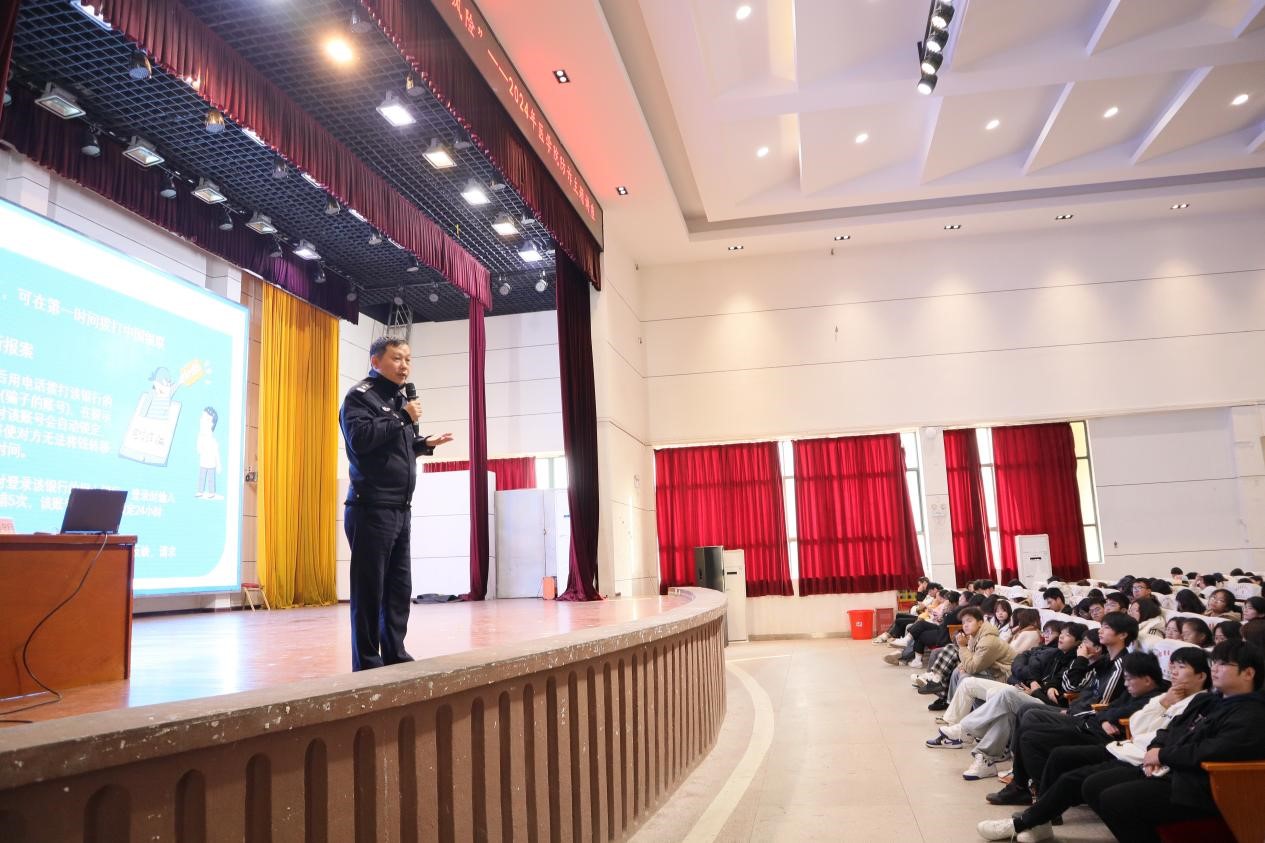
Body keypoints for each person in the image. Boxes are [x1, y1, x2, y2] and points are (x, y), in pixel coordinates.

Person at [977, 648, 1210, 843]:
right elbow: (1135, 723)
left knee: (1062, 762)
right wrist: (1163, 703)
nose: (1174, 672)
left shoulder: (1200, 703)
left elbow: (1157, 734)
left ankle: (1028, 819)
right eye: (1173, 666)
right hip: (1121, 746)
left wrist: (1155, 738)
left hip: (1134, 754)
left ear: (1201, 676)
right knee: (1051, 747)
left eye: (1181, 667)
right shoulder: (1167, 697)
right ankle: (1038, 816)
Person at [340, 337, 454, 671]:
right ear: (376, 362)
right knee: (369, 591)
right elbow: (361, 441)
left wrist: (424, 443)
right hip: (370, 508)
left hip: (401, 509)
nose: (404, 365)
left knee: (398, 588)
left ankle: (395, 654)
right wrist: (403, 417)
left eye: (408, 359)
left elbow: (394, 447)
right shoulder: (359, 397)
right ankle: (367, 662)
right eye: (396, 358)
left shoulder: (400, 400)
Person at [1087, 641, 1265, 842]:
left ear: (1248, 673)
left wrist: (1162, 755)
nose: (1214, 668)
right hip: (1171, 769)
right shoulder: (1207, 700)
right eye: (1214, 662)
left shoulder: (1252, 714)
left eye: (1223, 664)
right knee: (1094, 785)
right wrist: (1155, 748)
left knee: (1115, 799)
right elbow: (1170, 728)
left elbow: (1212, 750)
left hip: (1201, 787)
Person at [986, 614, 1138, 804]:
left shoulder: (1121, 665)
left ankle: (1036, 790)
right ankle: (1021, 783)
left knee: (1031, 720)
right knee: (1026, 710)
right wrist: (1080, 661)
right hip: (1079, 712)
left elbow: (1102, 704)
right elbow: (1073, 687)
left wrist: (1072, 711)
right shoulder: (1105, 660)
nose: (1100, 630)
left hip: (1091, 722)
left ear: (1123, 635)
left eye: (1106, 627)